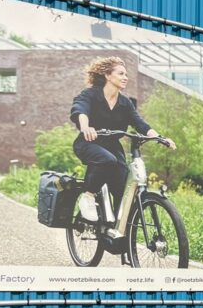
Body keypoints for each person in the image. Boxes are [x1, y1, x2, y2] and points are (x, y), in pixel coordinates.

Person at [70, 57, 175, 222]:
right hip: (88, 143)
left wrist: (159, 137)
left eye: (126, 74)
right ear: (107, 75)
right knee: (107, 160)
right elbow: (80, 109)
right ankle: (88, 196)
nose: (125, 77)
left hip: (113, 147)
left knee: (124, 186)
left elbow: (139, 123)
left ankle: (118, 227)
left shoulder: (125, 103)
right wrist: (86, 127)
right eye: (121, 74)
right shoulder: (91, 94)